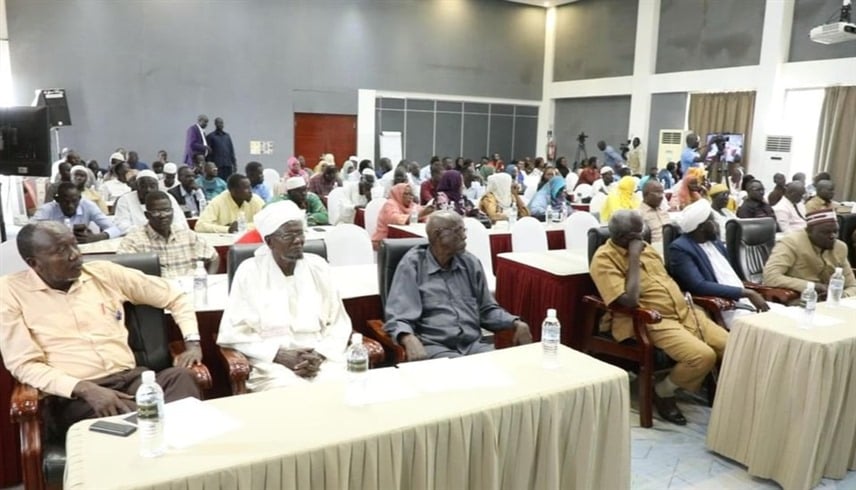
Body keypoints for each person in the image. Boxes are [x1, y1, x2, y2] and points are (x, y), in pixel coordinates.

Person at [0, 222, 202, 433]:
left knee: (182, 378)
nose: (74, 255)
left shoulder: (104, 273)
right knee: (148, 418)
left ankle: (181, 441)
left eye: (74, 245)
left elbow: (175, 295)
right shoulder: (9, 292)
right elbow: (24, 364)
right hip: (74, 396)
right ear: (34, 263)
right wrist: (84, 388)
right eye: (60, 251)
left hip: (131, 379)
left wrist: (193, 343)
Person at [590, 210, 728, 425]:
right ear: (625, 238)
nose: (643, 235)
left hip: (685, 311)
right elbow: (630, 301)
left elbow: (664, 281)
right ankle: (663, 391)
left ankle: (720, 391)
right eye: (638, 233)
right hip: (651, 320)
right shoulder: (604, 259)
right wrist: (633, 257)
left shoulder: (647, 249)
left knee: (731, 345)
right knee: (703, 356)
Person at [217, 201, 351, 391]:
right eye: (289, 235)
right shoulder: (249, 272)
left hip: (321, 355)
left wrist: (320, 355)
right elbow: (233, 331)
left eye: (300, 233)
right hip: (272, 362)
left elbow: (338, 322)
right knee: (289, 390)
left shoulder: (318, 267)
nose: (298, 241)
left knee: (338, 386)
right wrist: (277, 354)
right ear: (269, 241)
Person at [383, 211, 533, 359]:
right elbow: (399, 316)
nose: (464, 236)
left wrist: (515, 323)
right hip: (434, 347)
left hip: (473, 346)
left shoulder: (470, 263)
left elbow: (486, 310)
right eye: (457, 231)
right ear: (437, 235)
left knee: (507, 366)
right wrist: (408, 338)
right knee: (464, 370)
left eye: (463, 230)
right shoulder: (413, 265)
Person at [669, 199, 772, 329]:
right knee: (773, 329)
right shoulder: (680, 248)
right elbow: (698, 285)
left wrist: (748, 293)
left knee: (788, 318)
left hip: (746, 300)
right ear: (702, 227)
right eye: (712, 221)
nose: (716, 224)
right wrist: (747, 293)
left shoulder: (715, 242)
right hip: (725, 307)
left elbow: (729, 275)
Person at [117, 191, 219, 278]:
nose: (163, 215)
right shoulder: (133, 241)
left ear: (173, 212)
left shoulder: (188, 236)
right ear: (147, 215)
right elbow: (120, 271)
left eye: (167, 210)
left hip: (189, 290)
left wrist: (207, 280)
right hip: (155, 292)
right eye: (156, 212)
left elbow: (214, 258)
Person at [762, 209, 856, 298]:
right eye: (825, 233)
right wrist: (813, 286)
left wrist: (842, 296)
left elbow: (852, 286)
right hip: (797, 297)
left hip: (828, 301)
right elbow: (770, 277)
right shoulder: (791, 243)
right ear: (809, 232)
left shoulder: (840, 247)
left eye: (835, 231)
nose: (832, 236)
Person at [31, 183, 119, 243]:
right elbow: (29, 231)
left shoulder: (88, 206)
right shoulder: (47, 210)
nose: (70, 206)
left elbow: (115, 229)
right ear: (57, 200)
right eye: (66, 202)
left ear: (79, 198)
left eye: (74, 201)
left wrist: (96, 237)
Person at [115, 170, 188, 235]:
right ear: (137, 186)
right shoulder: (125, 200)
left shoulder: (166, 197)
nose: (148, 190)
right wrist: (150, 232)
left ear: (158, 186)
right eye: (143, 186)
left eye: (152, 186)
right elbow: (122, 226)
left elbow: (180, 223)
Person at [196, 174, 265, 233]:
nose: (250, 191)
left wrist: (243, 226)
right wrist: (228, 229)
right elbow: (200, 226)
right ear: (233, 191)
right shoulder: (218, 201)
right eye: (246, 188)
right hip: (224, 242)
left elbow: (266, 222)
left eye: (250, 187)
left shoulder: (255, 200)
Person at [372, 183, 432, 249]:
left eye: (411, 194)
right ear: (398, 194)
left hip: (404, 239)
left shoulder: (412, 205)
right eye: (406, 194)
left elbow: (424, 216)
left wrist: (426, 213)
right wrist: (419, 215)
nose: (410, 197)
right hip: (384, 241)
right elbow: (395, 219)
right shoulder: (390, 204)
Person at [638, 180, 670, 250]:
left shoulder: (663, 209)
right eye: (657, 192)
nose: (661, 196)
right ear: (646, 194)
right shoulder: (639, 215)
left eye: (662, 192)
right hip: (655, 248)